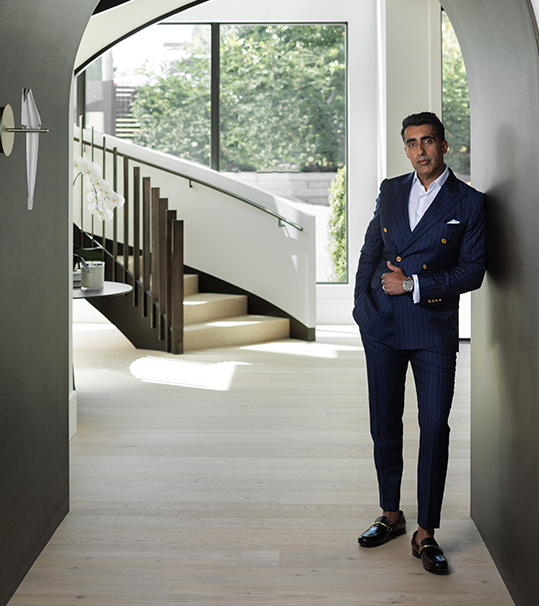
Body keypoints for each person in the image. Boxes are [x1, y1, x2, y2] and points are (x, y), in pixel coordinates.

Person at [353, 111, 486, 574]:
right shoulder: (391, 189)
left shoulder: (469, 202)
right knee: (384, 422)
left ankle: (426, 532)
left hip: (432, 328)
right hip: (381, 326)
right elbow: (371, 249)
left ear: (444, 145)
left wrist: (412, 284)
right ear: (406, 149)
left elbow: (473, 271)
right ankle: (390, 514)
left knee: (434, 427)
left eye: (428, 141)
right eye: (411, 143)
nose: (420, 151)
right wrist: (362, 305)